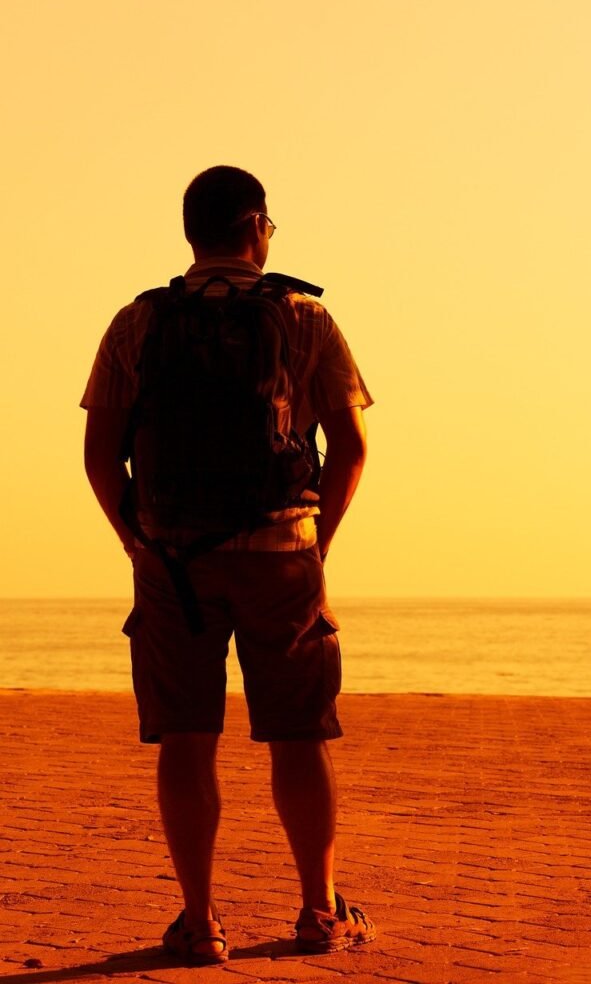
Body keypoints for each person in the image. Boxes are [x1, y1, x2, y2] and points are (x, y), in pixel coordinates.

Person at [81, 166, 375, 964]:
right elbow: (351, 447)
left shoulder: (137, 323)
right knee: (299, 736)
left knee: (186, 738)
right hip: (284, 554)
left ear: (191, 233)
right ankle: (319, 912)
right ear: (257, 226)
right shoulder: (304, 316)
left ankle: (201, 920)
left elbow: (99, 454)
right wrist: (322, 540)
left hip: (172, 560)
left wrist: (135, 542)